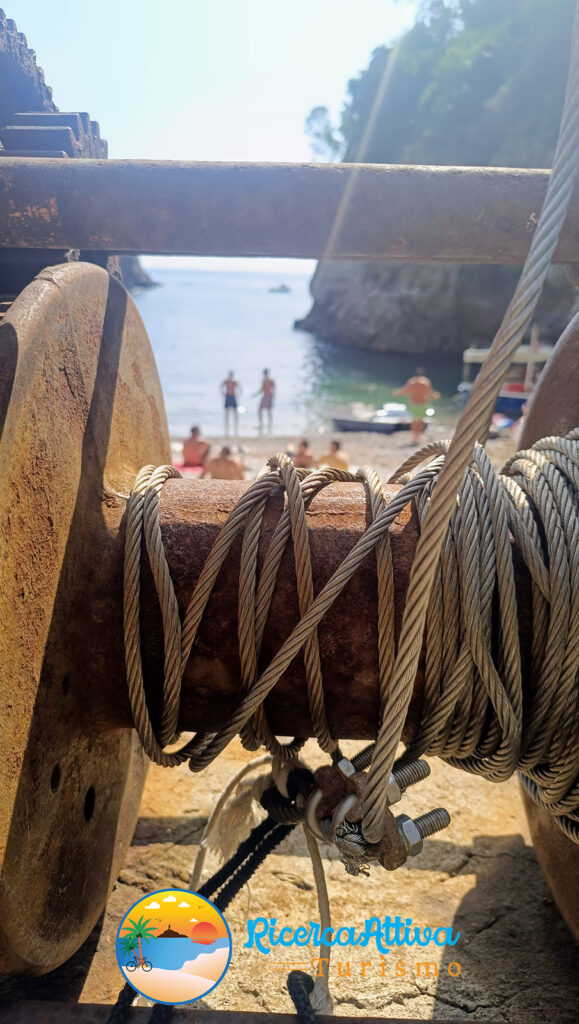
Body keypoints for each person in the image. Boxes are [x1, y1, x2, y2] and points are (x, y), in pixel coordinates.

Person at [393, 367, 441, 445]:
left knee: (414, 421)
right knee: (421, 421)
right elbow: (429, 393)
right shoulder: (425, 382)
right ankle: (418, 438)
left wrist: (396, 393)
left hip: (414, 404)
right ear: (423, 375)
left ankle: (414, 438)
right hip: (422, 404)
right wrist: (436, 396)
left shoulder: (411, 382)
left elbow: (404, 391)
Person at [254, 368, 275, 434]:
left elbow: (273, 388)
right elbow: (262, 389)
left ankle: (269, 425)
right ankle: (262, 424)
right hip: (266, 396)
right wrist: (255, 394)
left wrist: (273, 395)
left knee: (268, 411)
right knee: (261, 411)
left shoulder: (270, 380)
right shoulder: (265, 380)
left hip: (268, 396)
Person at [221, 371, 241, 437]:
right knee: (227, 414)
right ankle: (226, 431)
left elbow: (240, 388)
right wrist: (223, 393)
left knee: (235, 414)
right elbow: (221, 387)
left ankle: (236, 430)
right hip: (228, 397)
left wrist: (237, 394)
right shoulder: (226, 381)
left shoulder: (234, 381)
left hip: (232, 397)